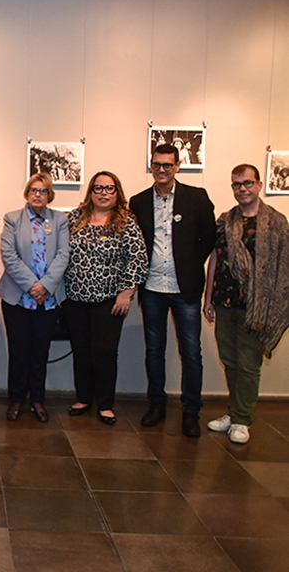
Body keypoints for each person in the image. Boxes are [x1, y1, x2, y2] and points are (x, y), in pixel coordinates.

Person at [130, 143, 216, 437]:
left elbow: (209, 238)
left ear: (178, 166)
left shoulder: (196, 198)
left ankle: (191, 411)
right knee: (154, 350)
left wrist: (191, 263)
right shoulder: (138, 201)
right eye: (157, 164)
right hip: (152, 287)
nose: (162, 169)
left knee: (191, 352)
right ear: (151, 166)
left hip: (185, 288)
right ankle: (156, 405)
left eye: (168, 164)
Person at [203, 164, 289, 444]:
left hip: (258, 307)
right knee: (230, 361)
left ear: (259, 185)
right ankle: (234, 411)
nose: (242, 188)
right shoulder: (225, 220)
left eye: (247, 183)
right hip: (225, 302)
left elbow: (283, 267)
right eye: (237, 184)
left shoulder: (277, 223)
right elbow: (216, 258)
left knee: (249, 364)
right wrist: (208, 297)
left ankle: (242, 419)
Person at [65, 172, 148, 425]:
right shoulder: (73, 218)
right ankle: (83, 398)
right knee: (80, 350)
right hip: (75, 299)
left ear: (117, 193)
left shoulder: (126, 222)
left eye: (109, 189)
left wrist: (126, 293)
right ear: (90, 192)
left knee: (104, 352)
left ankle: (105, 403)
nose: (103, 193)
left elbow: (139, 259)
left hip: (109, 301)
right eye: (98, 188)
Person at [0, 173, 69, 422]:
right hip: (17, 298)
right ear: (27, 193)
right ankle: (16, 399)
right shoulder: (12, 219)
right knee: (18, 351)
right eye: (34, 190)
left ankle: (37, 400)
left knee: (40, 351)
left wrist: (45, 287)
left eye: (44, 190)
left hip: (47, 300)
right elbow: (9, 255)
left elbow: (63, 255)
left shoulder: (60, 220)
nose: (38, 194)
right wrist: (32, 286)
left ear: (50, 195)